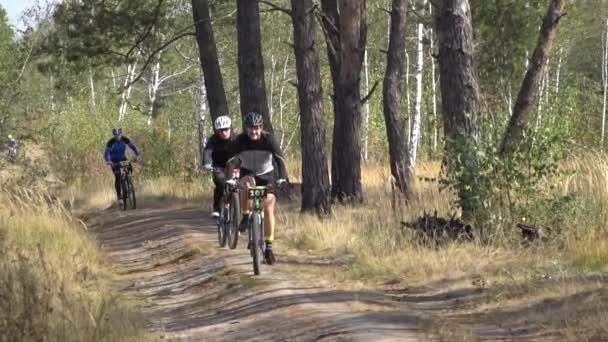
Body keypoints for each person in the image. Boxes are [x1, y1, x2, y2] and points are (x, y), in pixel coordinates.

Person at [226, 112, 288, 265]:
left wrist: (282, 177)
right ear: (246, 129)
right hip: (248, 172)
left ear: (261, 128)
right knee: (247, 184)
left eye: (257, 128)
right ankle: (246, 216)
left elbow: (280, 159)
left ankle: (268, 248)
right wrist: (229, 179)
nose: (254, 132)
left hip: (267, 175)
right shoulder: (240, 140)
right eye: (251, 128)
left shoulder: (268, 140)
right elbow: (231, 161)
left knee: (267, 208)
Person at [202, 115, 235, 219]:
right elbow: (207, 151)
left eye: (226, 129)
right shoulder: (213, 139)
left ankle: (240, 209)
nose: (224, 132)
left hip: (235, 167)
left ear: (230, 128)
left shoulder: (237, 138)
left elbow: (244, 151)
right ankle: (217, 208)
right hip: (219, 167)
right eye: (221, 130)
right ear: (217, 131)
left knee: (242, 185)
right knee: (221, 183)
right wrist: (207, 163)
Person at [104, 128, 141, 207]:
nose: (117, 137)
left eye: (119, 135)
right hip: (114, 161)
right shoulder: (110, 142)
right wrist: (108, 160)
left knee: (130, 167)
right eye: (115, 135)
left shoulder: (125, 139)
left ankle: (129, 179)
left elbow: (133, 147)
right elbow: (106, 154)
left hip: (123, 158)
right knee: (117, 177)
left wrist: (137, 155)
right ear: (113, 135)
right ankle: (119, 197)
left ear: (121, 134)